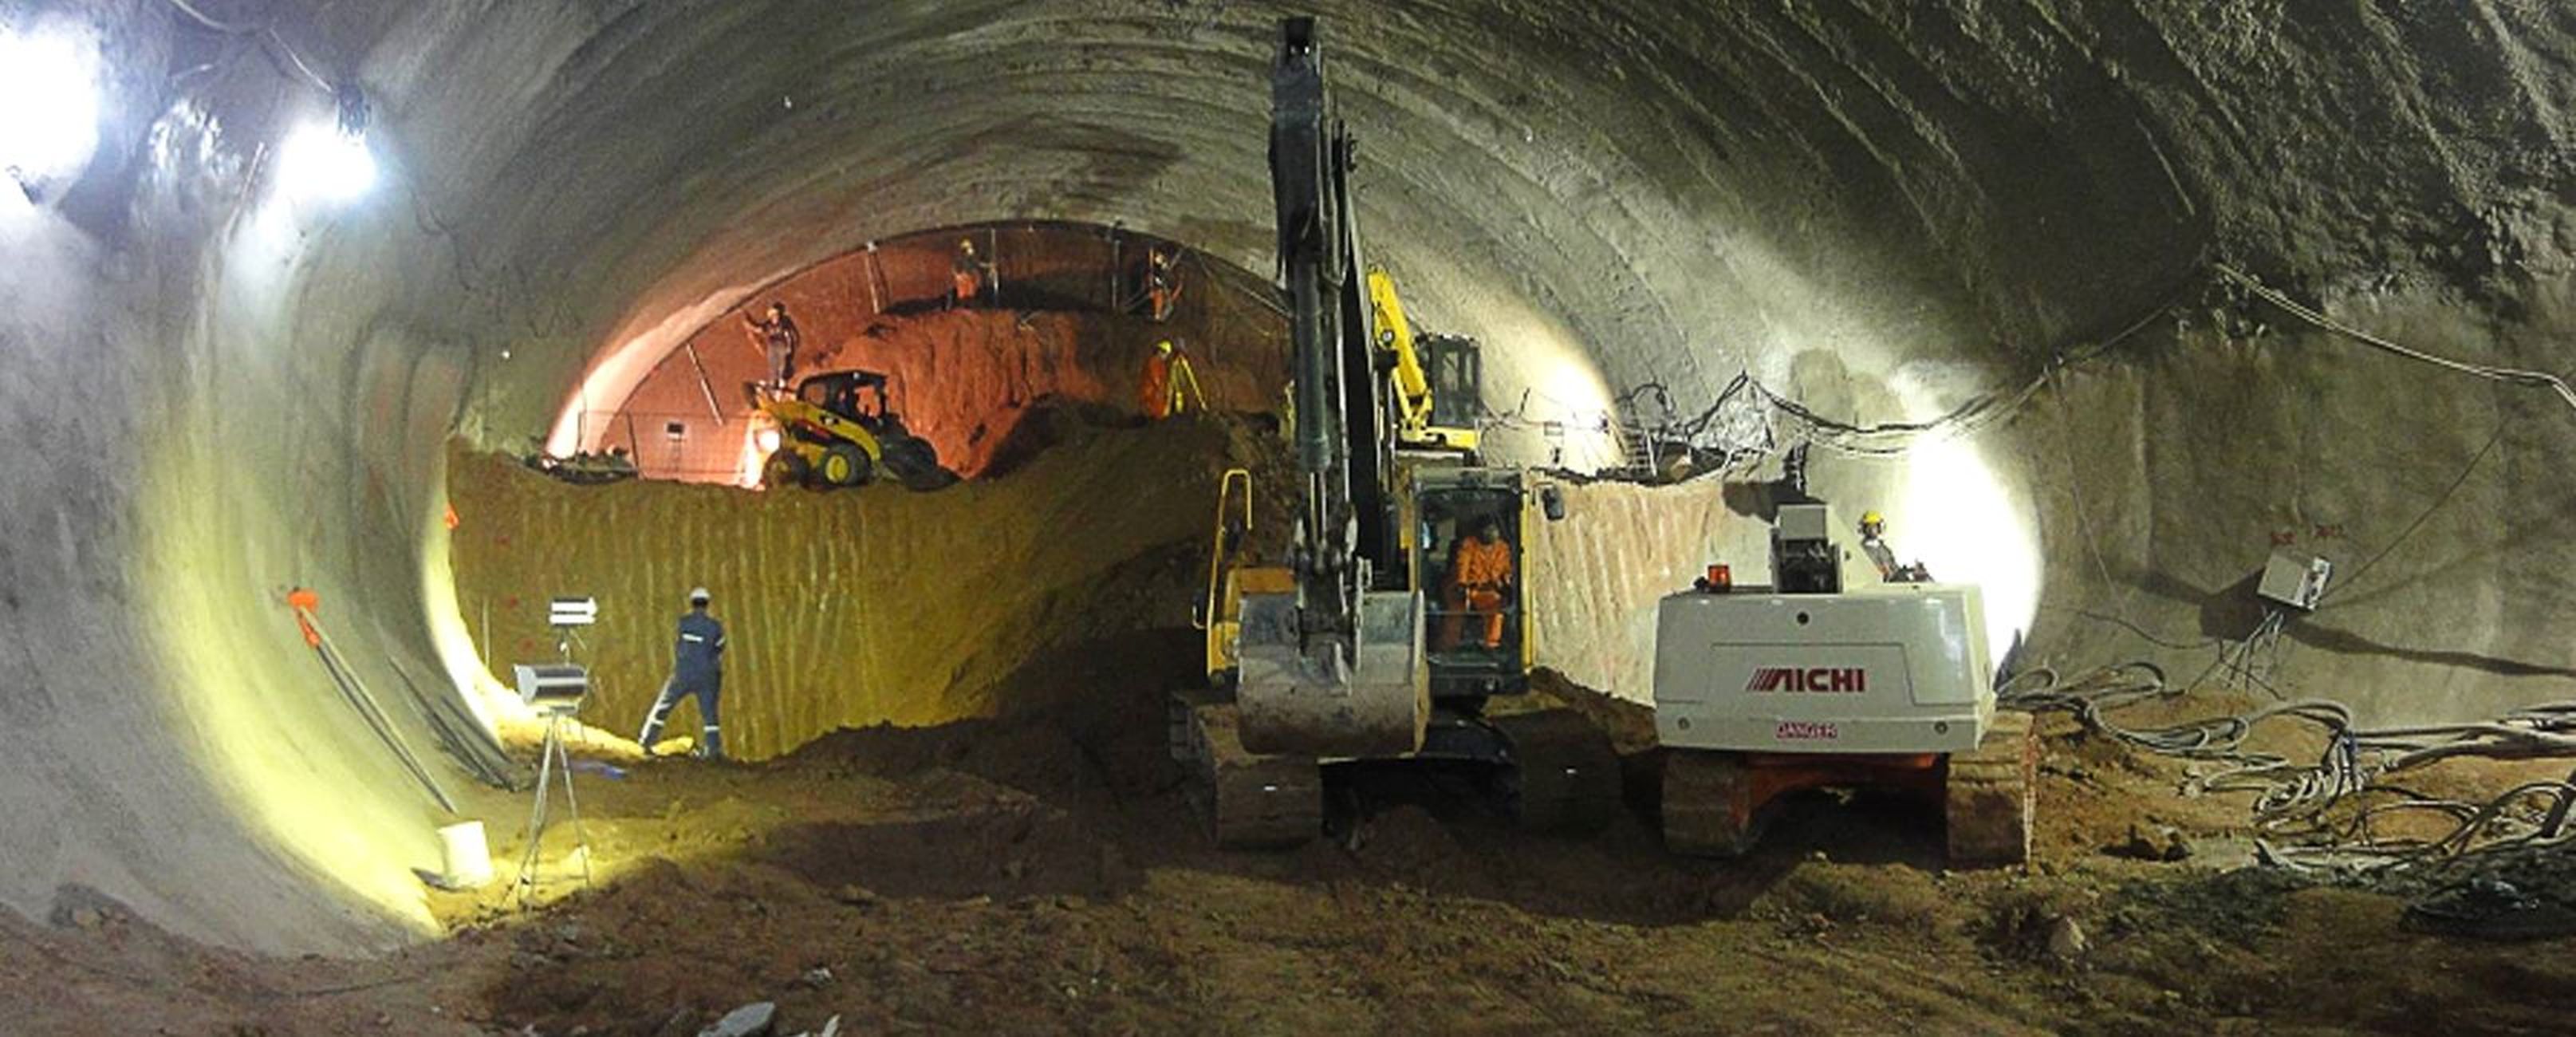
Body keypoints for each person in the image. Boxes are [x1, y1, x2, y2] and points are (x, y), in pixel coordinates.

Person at [639, 587, 727, 759]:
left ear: (692, 603)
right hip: (707, 675)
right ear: (707, 604)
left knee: (663, 706)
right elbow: (719, 648)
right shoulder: (715, 627)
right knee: (710, 714)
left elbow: (678, 645)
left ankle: (647, 741)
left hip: (683, 673)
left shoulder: (683, 623)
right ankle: (713, 750)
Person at [1441, 516, 1514, 650]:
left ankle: (1491, 645)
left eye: (1493, 529)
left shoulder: (1502, 548)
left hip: (1488, 591)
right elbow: (1462, 564)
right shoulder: (1468, 545)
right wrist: (1462, 584)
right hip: (1466, 589)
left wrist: (1507, 582)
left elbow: (1506, 569)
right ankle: (1449, 646)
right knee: (1455, 611)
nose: (1491, 532)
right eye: (1488, 529)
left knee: (1496, 608)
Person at [1138, 338, 1207, 420]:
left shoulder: (1161, 363)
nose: (1166, 357)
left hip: (1155, 394)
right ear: (1160, 351)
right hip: (1152, 393)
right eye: (1165, 354)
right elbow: (1156, 378)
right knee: (1155, 410)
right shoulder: (1154, 362)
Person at [1858, 511, 1931, 582]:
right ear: (1864, 529)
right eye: (1869, 526)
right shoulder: (1860, 551)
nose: (1872, 530)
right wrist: (1883, 572)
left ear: (1879, 528)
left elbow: (1895, 570)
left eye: (1874, 526)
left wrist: (1912, 570)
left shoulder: (1885, 549)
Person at [742, 302, 801, 390]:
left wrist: (791, 345)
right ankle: (774, 383)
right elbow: (759, 329)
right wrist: (749, 323)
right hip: (774, 346)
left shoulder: (784, 322)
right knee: (774, 364)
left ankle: (780, 382)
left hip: (782, 345)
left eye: (776, 314)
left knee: (781, 363)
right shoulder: (769, 324)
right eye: (773, 315)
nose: (775, 317)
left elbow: (789, 334)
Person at [1144, 244, 1183, 322]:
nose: (1157, 258)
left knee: (1162, 295)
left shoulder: (1167, 268)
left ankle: (1159, 315)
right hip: (1162, 286)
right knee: (1160, 294)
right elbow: (1151, 277)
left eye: (1159, 256)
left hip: (1165, 286)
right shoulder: (1155, 269)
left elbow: (1175, 284)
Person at [950, 238, 986, 309]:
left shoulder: (972, 258)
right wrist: (957, 275)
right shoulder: (960, 258)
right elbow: (954, 267)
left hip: (970, 277)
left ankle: (970, 308)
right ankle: (963, 308)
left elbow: (978, 264)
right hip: (963, 278)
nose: (972, 250)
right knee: (963, 295)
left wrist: (989, 265)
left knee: (971, 294)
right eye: (970, 248)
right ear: (966, 249)